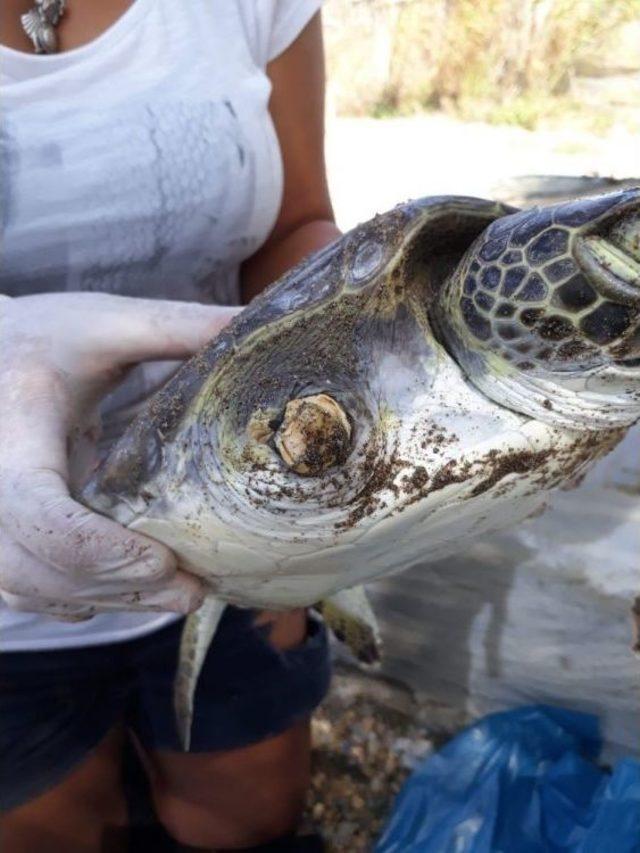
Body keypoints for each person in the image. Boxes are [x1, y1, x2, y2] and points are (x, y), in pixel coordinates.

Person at [0, 1, 340, 849]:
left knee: (251, 807)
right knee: (51, 823)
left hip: (240, 527)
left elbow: (299, 221)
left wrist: (329, 354)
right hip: (11, 590)